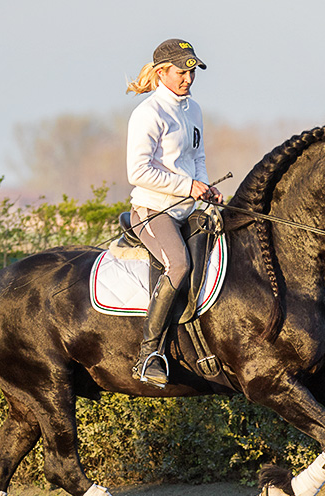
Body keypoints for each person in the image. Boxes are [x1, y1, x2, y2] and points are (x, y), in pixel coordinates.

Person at [126, 38, 223, 387]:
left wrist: (206, 188)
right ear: (161, 72)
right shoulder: (148, 114)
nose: (188, 78)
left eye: (192, 71)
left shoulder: (193, 109)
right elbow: (136, 172)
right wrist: (187, 187)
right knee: (179, 264)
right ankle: (148, 354)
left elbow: (196, 159)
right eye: (181, 72)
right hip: (153, 211)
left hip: (188, 209)